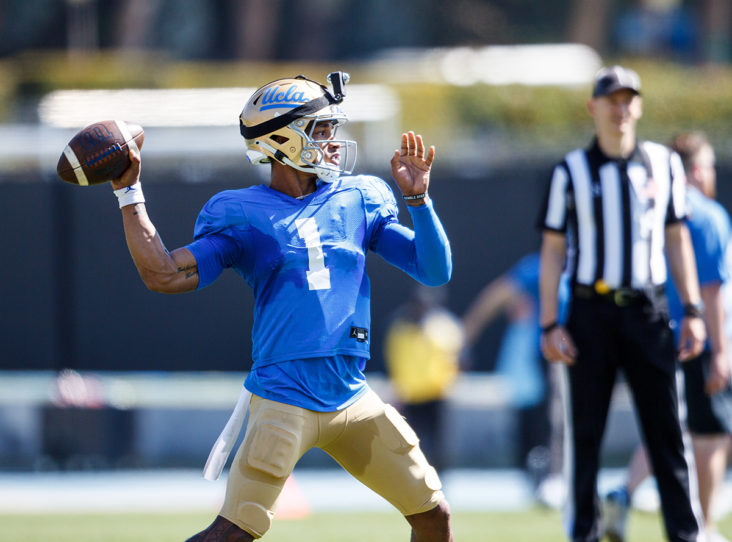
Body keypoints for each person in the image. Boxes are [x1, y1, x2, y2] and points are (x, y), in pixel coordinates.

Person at [109, 72, 454, 541]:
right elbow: (165, 274)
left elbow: (433, 270)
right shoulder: (242, 212)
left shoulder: (359, 197)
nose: (334, 142)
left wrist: (419, 200)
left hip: (352, 395)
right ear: (282, 140)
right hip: (284, 397)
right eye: (322, 130)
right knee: (234, 533)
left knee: (434, 515)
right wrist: (129, 193)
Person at [537, 65, 707, 542]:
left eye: (629, 98)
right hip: (592, 312)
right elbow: (552, 250)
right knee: (585, 436)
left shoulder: (662, 163)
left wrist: (692, 310)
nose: (621, 108)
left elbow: (677, 240)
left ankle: (685, 534)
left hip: (648, 312)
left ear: (640, 105)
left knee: (667, 434)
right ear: (594, 107)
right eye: (611, 99)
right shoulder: (570, 170)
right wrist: (551, 322)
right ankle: (584, 534)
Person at [603, 131, 732, 542]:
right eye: (709, 167)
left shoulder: (650, 209)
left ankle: (623, 493)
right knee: (710, 434)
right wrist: (722, 351)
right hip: (698, 339)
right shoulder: (707, 215)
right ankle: (706, 526)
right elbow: (710, 290)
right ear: (697, 170)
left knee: (667, 430)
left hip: (651, 333)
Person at [461, 251, 570, 496]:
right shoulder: (540, 267)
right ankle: (547, 477)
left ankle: (558, 475)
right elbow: (497, 295)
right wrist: (468, 332)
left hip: (583, 355)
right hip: (548, 355)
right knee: (546, 416)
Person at [383, 285, 464, 473]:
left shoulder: (443, 326)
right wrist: (398, 388)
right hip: (411, 395)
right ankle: (417, 478)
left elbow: (456, 356)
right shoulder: (401, 329)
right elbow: (395, 359)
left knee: (438, 443)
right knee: (413, 441)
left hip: (437, 393)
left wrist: (450, 381)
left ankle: (439, 479)